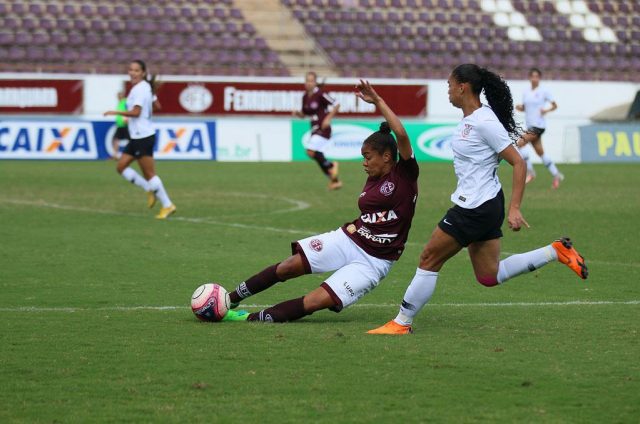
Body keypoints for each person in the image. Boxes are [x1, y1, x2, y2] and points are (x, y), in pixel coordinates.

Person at [367, 64, 588, 335]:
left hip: (475, 206)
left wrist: (515, 208)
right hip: (484, 203)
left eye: (450, 84)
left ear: (463, 87)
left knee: (428, 258)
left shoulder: (484, 121)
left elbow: (518, 163)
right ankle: (555, 251)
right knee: (488, 275)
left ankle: (401, 323)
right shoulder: (472, 119)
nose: (447, 90)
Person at [221, 80, 419, 323]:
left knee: (315, 301)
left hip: (374, 262)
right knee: (288, 266)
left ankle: (245, 318)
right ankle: (228, 300)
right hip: (348, 239)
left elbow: (401, 134)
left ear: (387, 157)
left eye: (367, 157)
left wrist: (378, 101)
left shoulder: (405, 174)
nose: (363, 163)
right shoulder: (373, 178)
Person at [104, 60, 176, 219]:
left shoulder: (139, 89)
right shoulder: (144, 88)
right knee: (121, 166)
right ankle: (149, 189)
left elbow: (136, 112)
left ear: (143, 72)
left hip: (143, 136)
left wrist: (116, 112)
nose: (132, 73)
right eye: (130, 70)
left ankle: (167, 205)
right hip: (137, 136)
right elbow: (157, 106)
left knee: (150, 174)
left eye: (136, 70)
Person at [293, 71, 342, 190]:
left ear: (315, 82)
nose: (309, 83)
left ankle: (331, 166)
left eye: (311, 81)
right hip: (314, 128)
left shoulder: (321, 94)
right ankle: (334, 180)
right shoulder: (305, 97)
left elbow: (337, 104)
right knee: (314, 154)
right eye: (307, 80)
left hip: (323, 128)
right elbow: (305, 114)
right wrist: (298, 114)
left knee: (310, 151)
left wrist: (328, 119)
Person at [515, 68, 563, 188]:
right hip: (531, 125)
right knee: (540, 153)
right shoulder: (526, 92)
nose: (534, 79)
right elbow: (527, 107)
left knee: (520, 143)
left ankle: (531, 172)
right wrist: (521, 108)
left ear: (539, 78)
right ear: (530, 78)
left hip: (538, 126)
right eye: (532, 76)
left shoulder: (544, 91)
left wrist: (546, 110)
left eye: (537, 76)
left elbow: (555, 105)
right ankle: (557, 175)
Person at [110, 91, 129, 160]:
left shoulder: (125, 102)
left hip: (125, 124)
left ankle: (130, 155)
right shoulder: (120, 103)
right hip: (120, 125)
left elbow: (128, 110)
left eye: (119, 96)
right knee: (116, 139)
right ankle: (115, 155)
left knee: (131, 140)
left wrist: (127, 119)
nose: (118, 97)